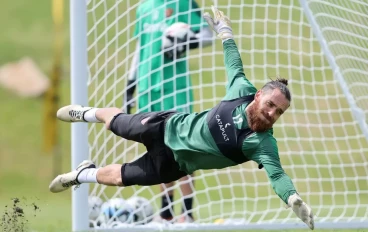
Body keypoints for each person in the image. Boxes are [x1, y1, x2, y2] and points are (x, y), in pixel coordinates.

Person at [49, 6, 314, 230]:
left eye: (279, 112)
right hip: (165, 127)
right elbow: (234, 63)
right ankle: (85, 113)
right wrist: (225, 32)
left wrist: (292, 198)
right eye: (270, 105)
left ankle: (82, 175)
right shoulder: (241, 91)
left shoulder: (262, 143)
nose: (272, 114)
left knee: (120, 178)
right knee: (115, 123)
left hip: (173, 165)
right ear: (257, 96)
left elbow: (277, 175)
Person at [125, 0, 213, 222]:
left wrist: (185, 41)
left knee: (182, 148)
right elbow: (140, 47)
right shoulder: (143, 8)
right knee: (157, 150)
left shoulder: (183, 3)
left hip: (174, 87)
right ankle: (165, 212)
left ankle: (187, 212)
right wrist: (130, 84)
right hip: (147, 87)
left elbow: (206, 35)